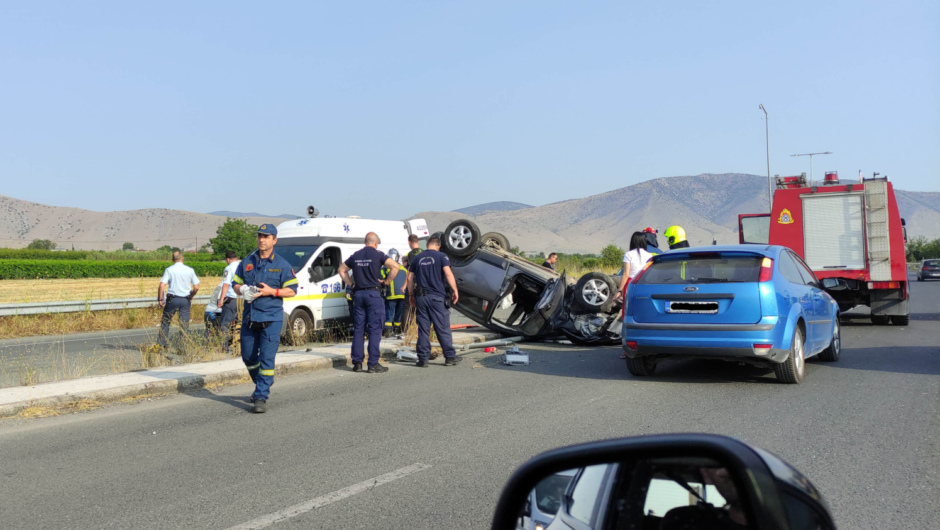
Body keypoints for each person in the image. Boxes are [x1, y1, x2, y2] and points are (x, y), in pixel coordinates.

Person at [231, 224, 299, 413]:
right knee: (248, 357)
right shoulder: (247, 262)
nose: (262, 240)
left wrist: (272, 291)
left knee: (267, 359)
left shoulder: (282, 265)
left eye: (266, 237)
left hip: (271, 318)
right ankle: (264, 381)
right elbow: (235, 284)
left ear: (274, 240)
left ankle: (260, 396)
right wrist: (242, 289)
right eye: (260, 236)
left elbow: (292, 290)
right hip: (250, 318)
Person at [338, 232, 400, 374]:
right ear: (375, 243)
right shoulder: (378, 255)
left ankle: (357, 363)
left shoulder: (356, 255)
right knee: (374, 329)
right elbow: (395, 266)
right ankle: (372, 364)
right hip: (373, 295)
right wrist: (386, 282)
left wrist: (351, 284)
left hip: (358, 295)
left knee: (359, 329)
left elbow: (341, 270)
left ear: (365, 242)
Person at [405, 235, 461, 367]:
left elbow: (409, 278)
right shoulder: (441, 256)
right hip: (437, 298)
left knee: (423, 329)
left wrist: (411, 295)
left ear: (427, 245)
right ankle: (449, 357)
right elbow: (448, 273)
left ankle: (423, 359)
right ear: (438, 246)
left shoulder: (417, 258)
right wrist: (455, 290)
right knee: (442, 328)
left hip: (421, 298)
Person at [618, 232, 653, 359]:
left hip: (631, 284)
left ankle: (627, 350)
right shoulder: (649, 255)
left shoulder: (628, 254)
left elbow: (626, 274)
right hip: (645, 284)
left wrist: (619, 290)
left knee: (628, 315)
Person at [157, 251, 200, 350]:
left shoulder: (169, 270)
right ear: (182, 258)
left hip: (172, 299)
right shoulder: (190, 270)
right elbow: (196, 287)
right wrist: (191, 295)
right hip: (185, 300)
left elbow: (162, 285)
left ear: (173, 260)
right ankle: (182, 347)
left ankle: (162, 345)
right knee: (184, 324)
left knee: (166, 321)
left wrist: (160, 299)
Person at [381, 248, 407, 336]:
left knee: (389, 312)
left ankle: (388, 330)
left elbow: (381, 278)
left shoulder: (386, 268)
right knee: (399, 313)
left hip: (391, 295)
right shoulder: (403, 268)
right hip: (402, 294)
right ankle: (397, 329)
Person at [218, 251, 241, 352]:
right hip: (243, 299)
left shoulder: (229, 268)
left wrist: (221, 300)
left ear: (228, 259)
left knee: (225, 323)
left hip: (231, 299)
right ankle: (239, 346)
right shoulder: (243, 266)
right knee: (240, 323)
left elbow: (226, 284)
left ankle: (224, 346)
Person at [401, 235, 423, 332]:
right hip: (422, 283)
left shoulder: (410, 254)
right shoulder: (424, 252)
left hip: (413, 283)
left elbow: (410, 272)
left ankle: (405, 329)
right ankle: (417, 327)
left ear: (409, 243)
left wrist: (404, 285)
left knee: (407, 306)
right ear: (418, 241)